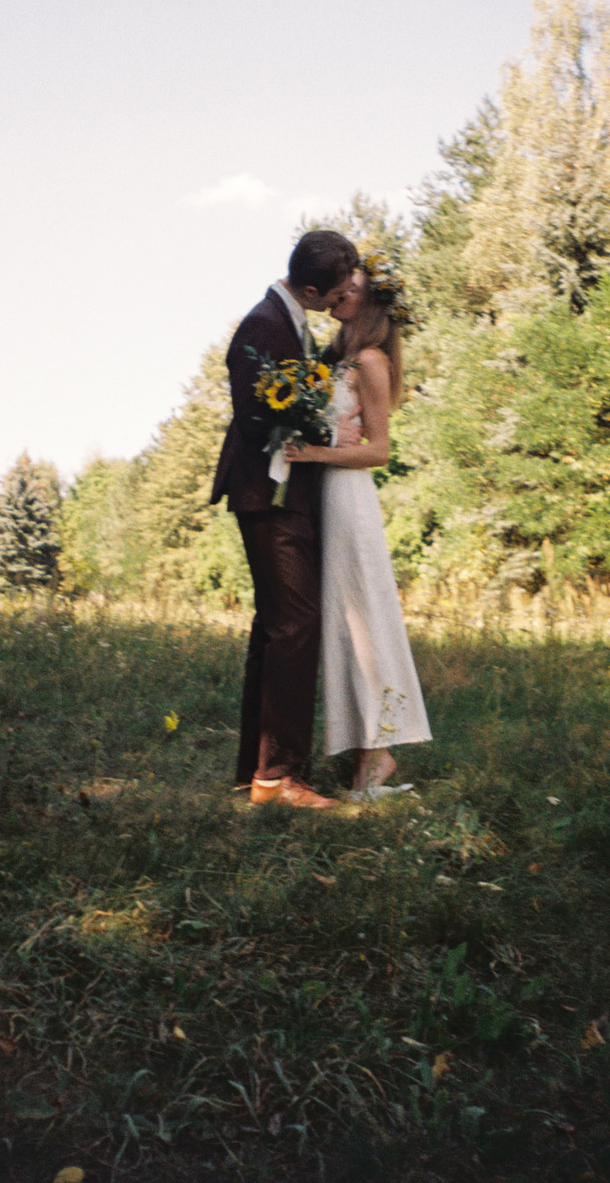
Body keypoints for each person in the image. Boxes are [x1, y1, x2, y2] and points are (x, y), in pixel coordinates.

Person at [211, 229, 359, 809]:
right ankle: (282, 779)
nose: (344, 296)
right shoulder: (263, 324)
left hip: (281, 496)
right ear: (313, 290)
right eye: (339, 289)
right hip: (268, 496)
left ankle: (256, 773)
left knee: (275, 628)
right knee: (297, 625)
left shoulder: (290, 320)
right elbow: (253, 416)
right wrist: (327, 431)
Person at [284, 257, 432, 799]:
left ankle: (378, 754)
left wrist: (313, 454)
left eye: (352, 287)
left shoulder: (370, 360)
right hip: (324, 495)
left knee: (362, 622)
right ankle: (365, 752)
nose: (341, 291)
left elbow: (379, 450)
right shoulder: (336, 357)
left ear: (370, 303)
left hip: (349, 499)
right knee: (340, 625)